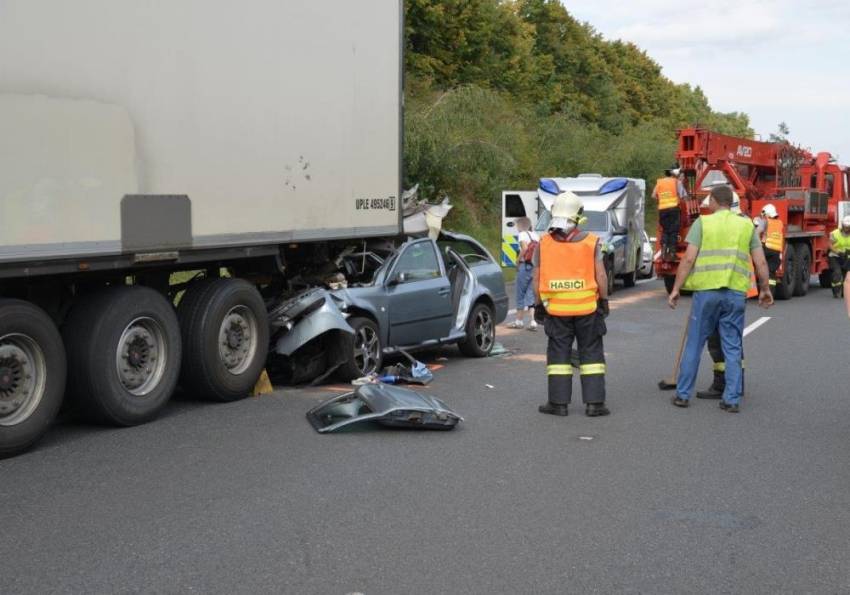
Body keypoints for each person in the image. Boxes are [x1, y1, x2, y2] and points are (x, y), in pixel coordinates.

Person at [668, 185, 773, 413]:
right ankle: (731, 399)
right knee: (732, 346)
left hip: (706, 293)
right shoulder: (746, 225)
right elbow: (760, 262)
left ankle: (683, 394)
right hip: (735, 294)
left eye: (709, 201)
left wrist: (676, 288)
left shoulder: (703, 223)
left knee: (694, 344)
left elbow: (688, 259)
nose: (708, 204)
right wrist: (764, 289)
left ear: (715, 200)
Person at [533, 190, 610, 417]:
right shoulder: (592, 242)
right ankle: (595, 404)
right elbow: (602, 276)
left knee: (558, 356)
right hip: (587, 308)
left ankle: (558, 404)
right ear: (579, 216)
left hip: (556, 310)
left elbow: (536, 278)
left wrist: (538, 305)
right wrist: (603, 301)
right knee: (592, 355)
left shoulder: (543, 244)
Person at [508, 217, 539, 330]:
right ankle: (533, 321)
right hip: (534, 267)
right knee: (531, 293)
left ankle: (519, 321)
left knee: (520, 293)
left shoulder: (522, 235)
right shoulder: (535, 235)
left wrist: (517, 261)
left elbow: (525, 248)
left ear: (520, 226)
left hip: (525, 266)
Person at [652, 166, 687, 262]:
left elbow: (653, 195)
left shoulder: (660, 182)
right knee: (673, 231)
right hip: (673, 210)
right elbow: (684, 196)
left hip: (662, 210)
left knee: (665, 230)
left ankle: (663, 252)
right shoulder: (676, 182)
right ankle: (672, 254)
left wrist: (662, 201)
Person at [757, 203, 784, 290]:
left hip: (766, 249)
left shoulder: (765, 221)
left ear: (767, 214)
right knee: (771, 273)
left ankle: (762, 288)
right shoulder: (780, 223)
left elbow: (758, 231)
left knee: (761, 269)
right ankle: (771, 291)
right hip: (776, 251)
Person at [828, 216, 850, 299]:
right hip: (835, 256)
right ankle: (836, 291)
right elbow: (829, 245)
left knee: (846, 276)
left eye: (848, 227)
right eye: (845, 227)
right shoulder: (835, 233)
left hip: (848, 257)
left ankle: (845, 292)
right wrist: (838, 252)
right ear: (842, 226)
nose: (847, 229)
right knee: (837, 273)